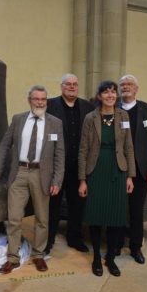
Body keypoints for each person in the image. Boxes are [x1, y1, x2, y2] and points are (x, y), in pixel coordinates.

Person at [0, 85, 65, 274]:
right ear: (29, 100)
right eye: (36, 99)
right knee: (14, 218)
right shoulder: (18, 120)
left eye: (43, 99)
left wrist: (57, 181)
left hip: (43, 175)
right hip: (20, 173)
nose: (40, 102)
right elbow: (4, 145)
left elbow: (60, 154)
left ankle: (39, 255)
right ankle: (12, 257)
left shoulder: (55, 123)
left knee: (42, 218)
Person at [78, 80, 135, 277]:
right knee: (96, 215)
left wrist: (130, 176)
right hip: (96, 170)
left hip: (118, 171)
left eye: (113, 92)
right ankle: (96, 257)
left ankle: (110, 257)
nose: (110, 95)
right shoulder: (90, 118)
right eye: (106, 92)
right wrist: (82, 179)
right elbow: (83, 149)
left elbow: (129, 147)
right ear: (100, 96)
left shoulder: (123, 116)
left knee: (116, 217)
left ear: (116, 96)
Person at [46, 73, 94, 254]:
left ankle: (75, 238)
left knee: (77, 204)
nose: (72, 87)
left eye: (75, 84)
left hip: (79, 167)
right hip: (56, 166)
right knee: (53, 205)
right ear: (61, 87)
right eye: (68, 84)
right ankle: (48, 240)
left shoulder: (88, 107)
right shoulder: (50, 105)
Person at [118, 74, 147, 264]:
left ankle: (135, 247)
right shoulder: (112, 107)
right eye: (122, 84)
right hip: (117, 169)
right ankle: (116, 243)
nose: (126, 87)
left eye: (129, 84)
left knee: (136, 210)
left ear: (136, 89)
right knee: (117, 209)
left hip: (141, 170)